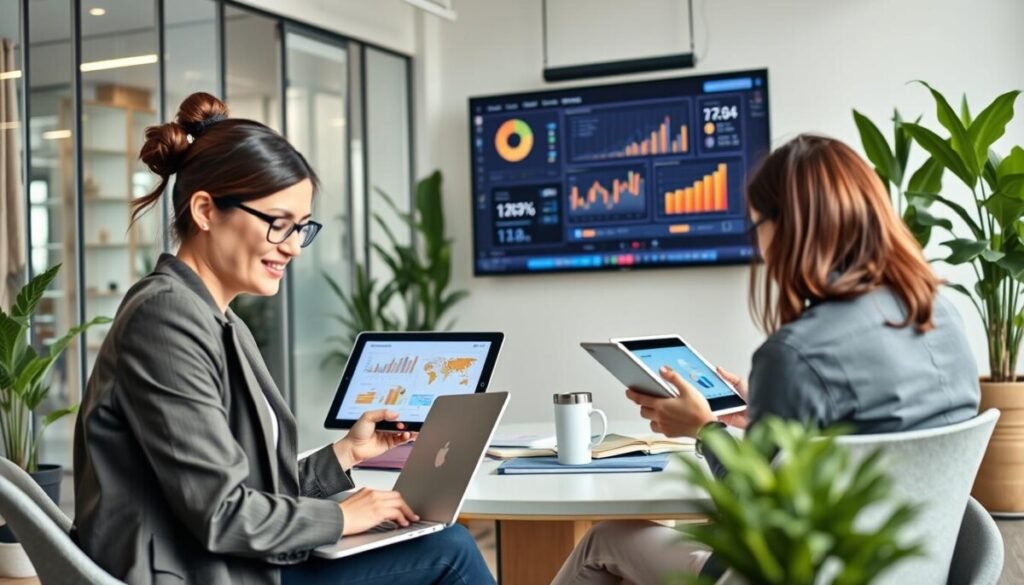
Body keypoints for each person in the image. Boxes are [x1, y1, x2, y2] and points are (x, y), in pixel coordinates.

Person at [72, 92, 494, 585]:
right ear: (206, 210)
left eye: (301, 228)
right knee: (450, 551)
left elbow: (242, 489)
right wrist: (343, 518)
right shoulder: (166, 318)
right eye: (278, 225)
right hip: (195, 572)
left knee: (438, 541)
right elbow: (221, 513)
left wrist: (346, 454)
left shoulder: (215, 316)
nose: (293, 247)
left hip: (223, 561)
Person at [551, 134, 981, 585]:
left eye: (757, 226)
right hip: (907, 570)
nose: (759, 245)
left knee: (604, 542)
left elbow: (755, 521)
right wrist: (766, 409)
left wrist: (704, 430)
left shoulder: (795, 354)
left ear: (788, 227)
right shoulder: (941, 312)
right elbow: (877, 430)